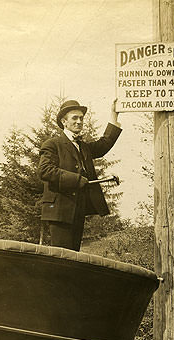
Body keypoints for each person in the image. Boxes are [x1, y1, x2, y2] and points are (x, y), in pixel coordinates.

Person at [38, 99, 121, 251]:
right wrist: (76, 180)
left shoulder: (83, 147)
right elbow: (45, 170)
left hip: (78, 211)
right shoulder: (52, 144)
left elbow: (104, 144)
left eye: (81, 118)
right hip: (59, 213)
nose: (79, 122)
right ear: (64, 122)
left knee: (74, 259)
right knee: (64, 260)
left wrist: (113, 116)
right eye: (74, 118)